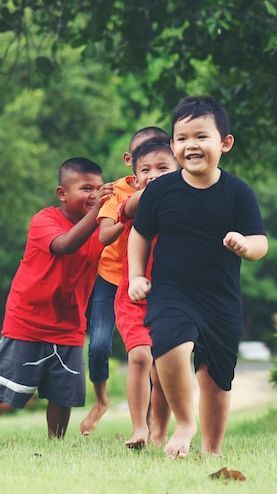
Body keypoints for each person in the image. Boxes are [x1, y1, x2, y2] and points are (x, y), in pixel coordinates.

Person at [128, 96, 268, 458]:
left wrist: (245, 245)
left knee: (216, 379)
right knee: (170, 344)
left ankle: (212, 450)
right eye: (182, 137)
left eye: (201, 136)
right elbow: (139, 234)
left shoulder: (238, 192)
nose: (191, 144)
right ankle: (185, 423)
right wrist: (135, 276)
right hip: (171, 291)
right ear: (173, 146)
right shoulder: (160, 190)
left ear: (224, 143)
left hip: (221, 298)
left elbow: (260, 242)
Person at [0, 157, 113, 438]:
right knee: (8, 391)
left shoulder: (101, 229)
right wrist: (99, 209)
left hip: (70, 326)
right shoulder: (44, 220)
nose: (94, 195)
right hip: (27, 322)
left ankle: (56, 442)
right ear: (62, 193)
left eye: (99, 188)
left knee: (64, 392)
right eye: (86, 188)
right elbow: (66, 245)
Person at [80, 126, 170, 436]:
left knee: (156, 357)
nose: (153, 170)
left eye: (162, 161)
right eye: (145, 163)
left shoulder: (175, 190)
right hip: (113, 278)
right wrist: (129, 214)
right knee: (102, 345)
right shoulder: (118, 192)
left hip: (155, 280)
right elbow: (104, 235)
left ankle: (151, 423)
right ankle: (105, 402)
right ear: (131, 161)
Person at [115, 138, 179, 449]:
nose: (152, 175)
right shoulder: (133, 202)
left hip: (170, 298)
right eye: (145, 170)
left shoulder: (184, 208)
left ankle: (160, 431)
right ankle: (139, 427)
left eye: (162, 168)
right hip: (133, 298)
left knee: (164, 365)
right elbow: (128, 207)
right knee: (140, 357)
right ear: (135, 176)